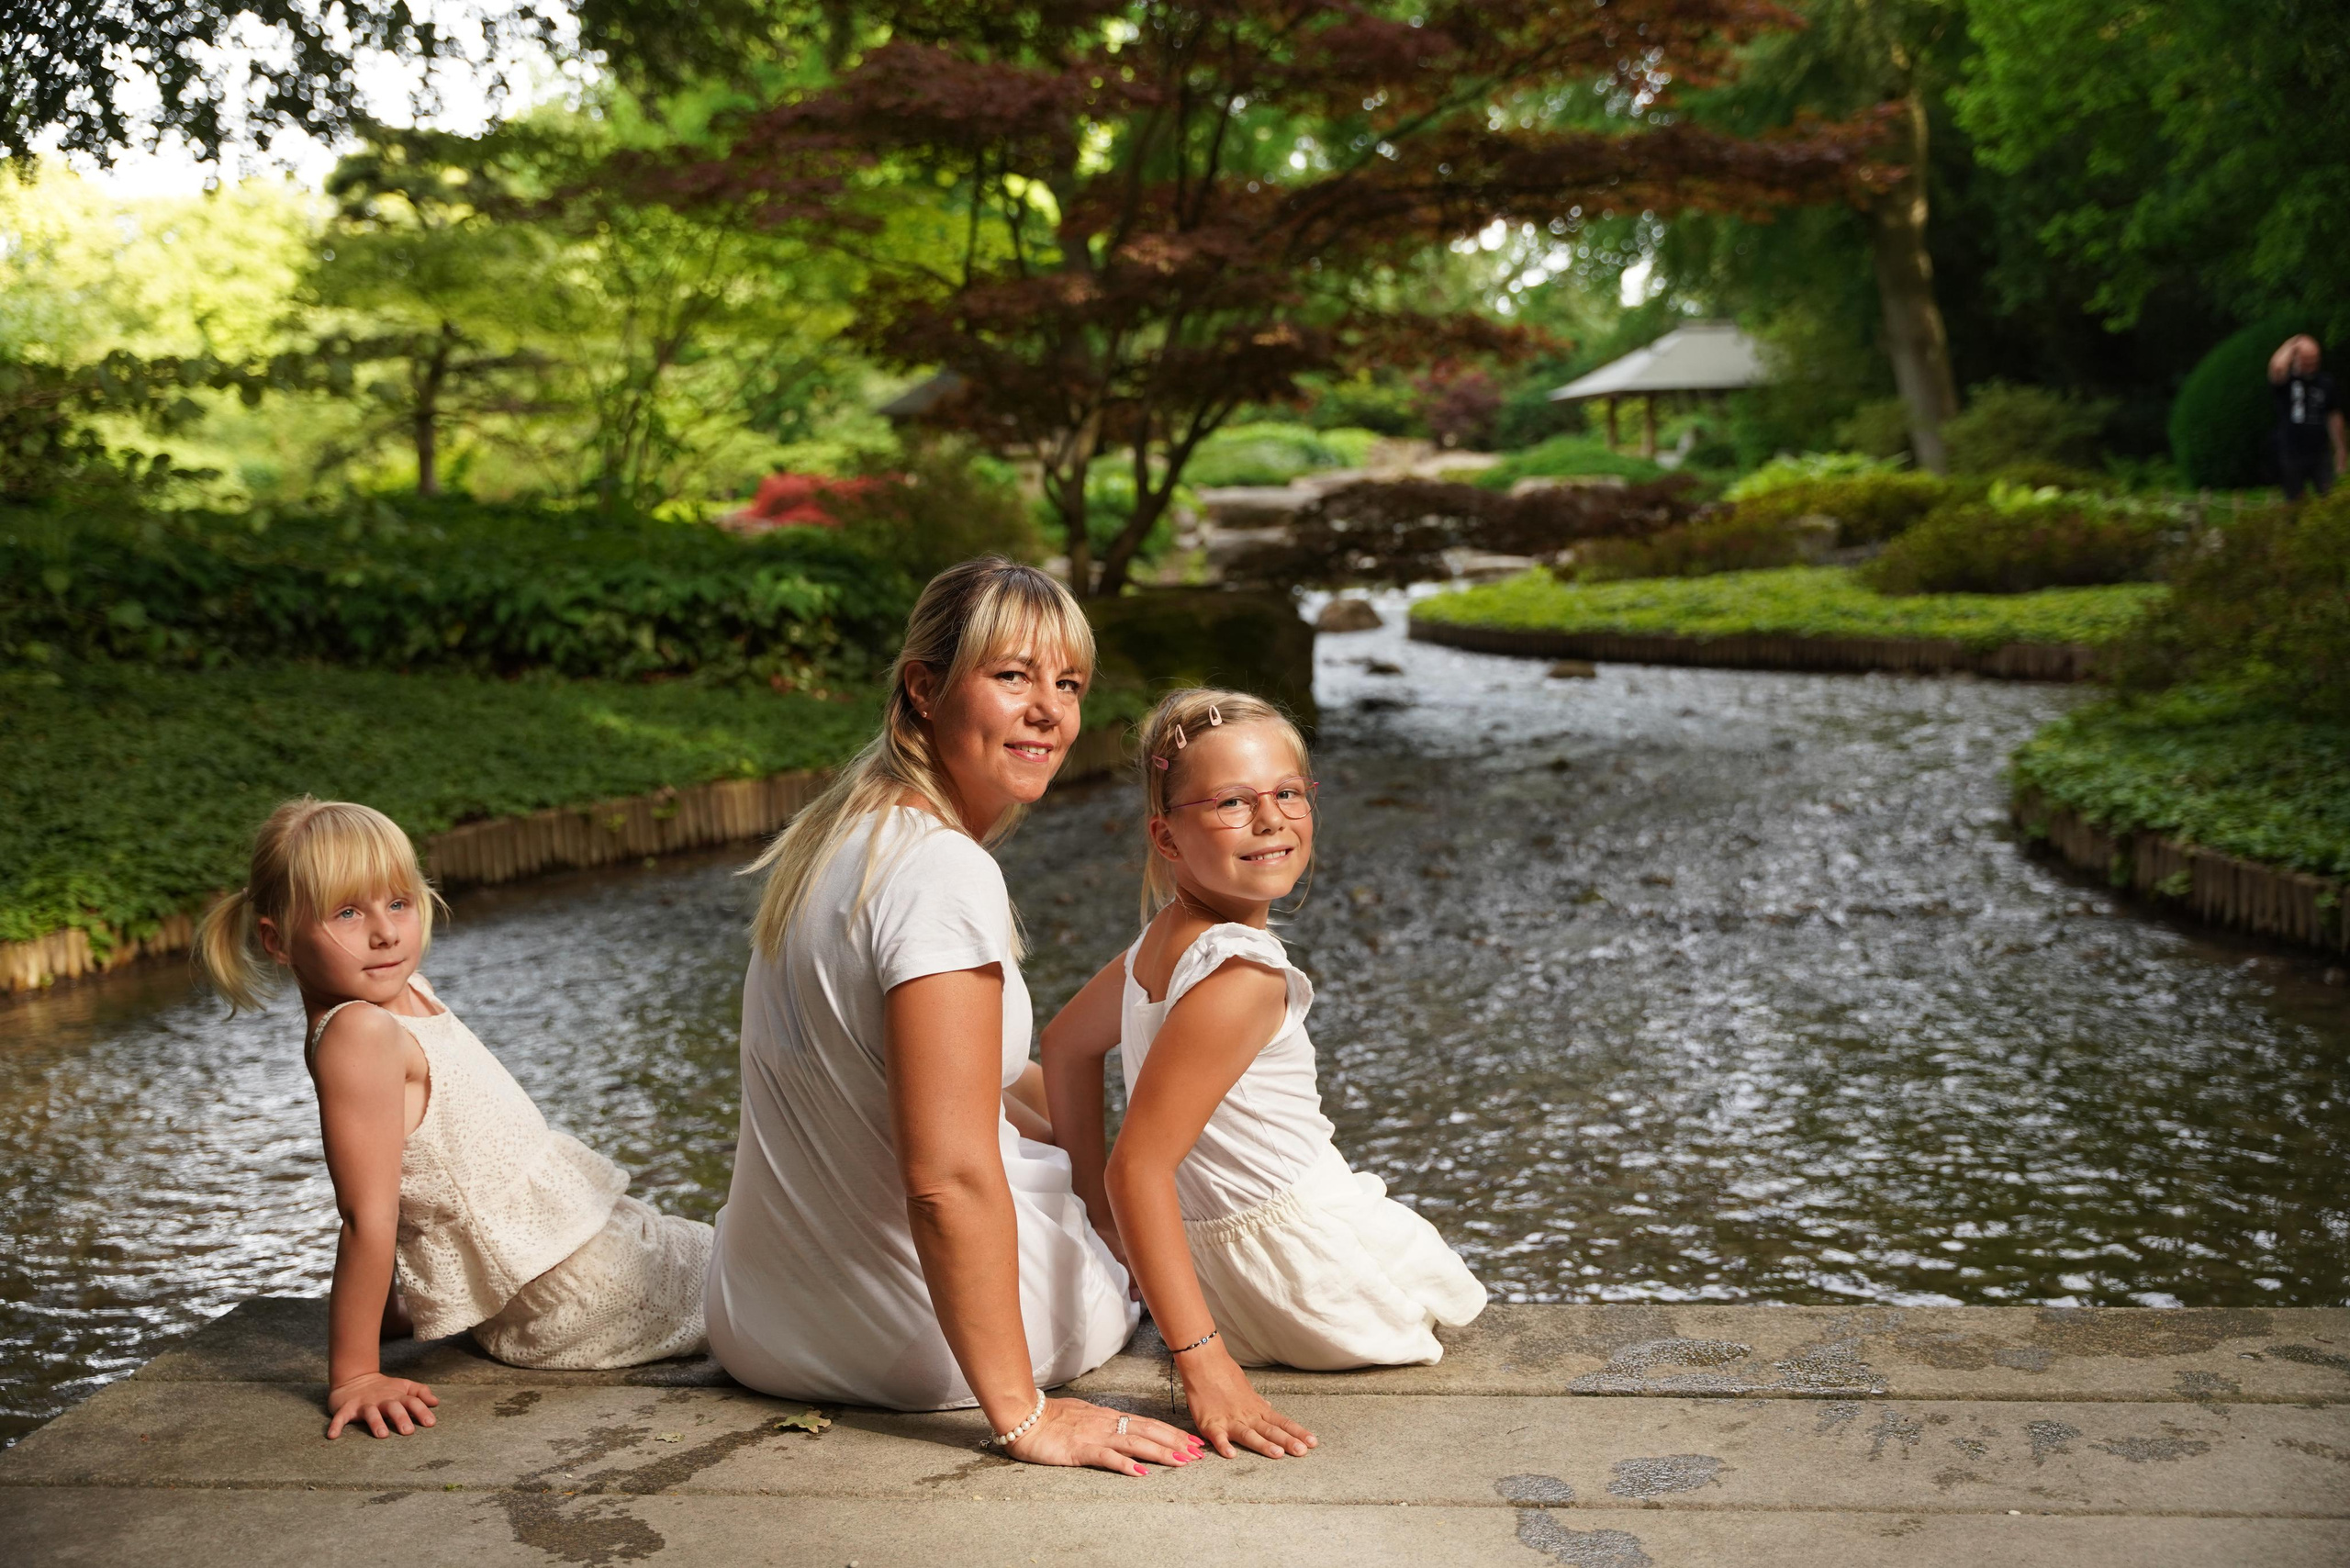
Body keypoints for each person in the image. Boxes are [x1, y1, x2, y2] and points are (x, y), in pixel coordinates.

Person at [705, 556, 1198, 1477]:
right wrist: (1025, 1416)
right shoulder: (943, 873)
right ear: (924, 687)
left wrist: (1110, 1158)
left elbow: (972, 1083)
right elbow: (945, 1180)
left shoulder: (836, 837)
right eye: (1012, 675)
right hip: (906, 1346)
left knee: (1105, 1171)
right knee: (1153, 1243)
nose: (1049, 710)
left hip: (760, 1325)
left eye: (1069, 683)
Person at [1040, 689, 1487, 1461]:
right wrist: (1204, 1364)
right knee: (1421, 1283)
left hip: (1220, 1276)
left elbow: (1063, 1047)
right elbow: (1138, 1167)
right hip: (1310, 1287)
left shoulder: (1164, 940)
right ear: (1166, 836)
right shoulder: (1243, 974)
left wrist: (1100, 1220)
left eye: (1287, 793)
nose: (1272, 819)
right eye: (1232, 802)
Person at [195, 799, 711, 1441]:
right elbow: (367, 1214)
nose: (385, 932)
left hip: (592, 1249)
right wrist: (357, 1373)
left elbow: (393, 1174)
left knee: (768, 1257)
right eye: (348, 913)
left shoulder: (398, 994)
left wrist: (391, 1313)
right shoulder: (359, 1032)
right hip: (577, 1295)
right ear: (276, 940)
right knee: (796, 1285)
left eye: (398, 903)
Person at [2268, 334, 2347, 499]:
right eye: (2307, 360)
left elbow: (2334, 416)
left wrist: (2340, 448)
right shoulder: (2287, 381)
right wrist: (2292, 343)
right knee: (2295, 502)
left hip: (2319, 451)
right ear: (2296, 358)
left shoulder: (2325, 382)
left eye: (2314, 360)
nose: (2311, 365)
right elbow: (2276, 367)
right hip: (2292, 451)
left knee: (2328, 497)